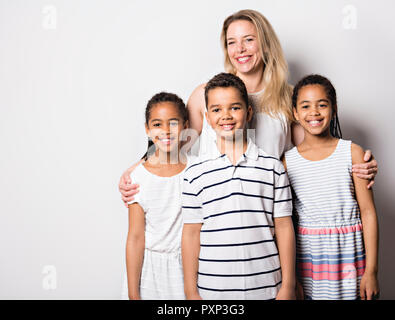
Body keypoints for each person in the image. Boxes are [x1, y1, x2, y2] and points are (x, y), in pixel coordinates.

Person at [119, 9, 378, 206]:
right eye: (232, 42)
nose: (239, 49)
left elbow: (313, 153)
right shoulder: (204, 95)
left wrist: (355, 164)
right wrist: (136, 171)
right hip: (214, 209)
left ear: (264, 43)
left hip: (267, 211)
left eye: (248, 40)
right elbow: (174, 147)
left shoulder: (290, 99)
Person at [181, 73, 296, 300]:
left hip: (267, 288)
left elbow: (283, 228)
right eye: (216, 110)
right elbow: (191, 234)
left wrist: (288, 287)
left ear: (249, 112)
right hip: (212, 292)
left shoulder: (273, 168)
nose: (226, 116)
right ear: (207, 117)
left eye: (235, 108)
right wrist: (190, 291)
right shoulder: (194, 175)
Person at [283, 74, 380, 300]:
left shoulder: (353, 153)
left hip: (351, 258)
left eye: (322, 105)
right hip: (310, 260)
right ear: (295, 113)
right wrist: (292, 279)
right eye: (305, 106)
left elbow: (368, 213)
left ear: (334, 109)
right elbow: (287, 221)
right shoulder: (288, 162)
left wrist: (372, 271)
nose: (314, 112)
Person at [124, 92, 189, 300]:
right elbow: (135, 238)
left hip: (188, 269)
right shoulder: (138, 177)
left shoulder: (196, 170)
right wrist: (134, 295)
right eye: (157, 124)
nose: (166, 131)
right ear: (147, 129)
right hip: (150, 273)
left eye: (173, 123)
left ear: (185, 126)